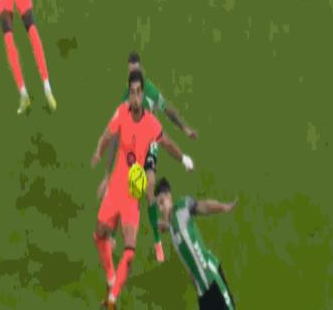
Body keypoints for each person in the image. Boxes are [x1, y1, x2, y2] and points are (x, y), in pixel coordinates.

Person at [91, 70, 195, 309]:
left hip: (131, 196)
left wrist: (184, 159)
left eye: (139, 92)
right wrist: (98, 153)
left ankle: (111, 301)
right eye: (132, 93)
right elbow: (107, 135)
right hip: (115, 189)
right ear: (129, 94)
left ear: (142, 94)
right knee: (98, 236)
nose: (136, 97)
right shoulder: (121, 113)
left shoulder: (150, 123)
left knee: (129, 253)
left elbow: (167, 143)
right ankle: (111, 279)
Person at [98, 51, 196, 263]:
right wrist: (108, 169)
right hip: (131, 148)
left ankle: (157, 241)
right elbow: (116, 136)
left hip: (149, 142)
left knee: (149, 187)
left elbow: (168, 111)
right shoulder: (125, 100)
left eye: (136, 69)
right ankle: (113, 235)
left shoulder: (149, 91)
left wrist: (185, 129)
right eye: (130, 71)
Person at [155, 177, 237, 310]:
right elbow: (171, 226)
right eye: (158, 205)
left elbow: (205, 206)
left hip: (211, 278)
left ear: (169, 197)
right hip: (201, 290)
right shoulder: (171, 224)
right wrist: (163, 224)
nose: (160, 208)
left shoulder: (182, 208)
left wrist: (223, 207)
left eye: (162, 202)